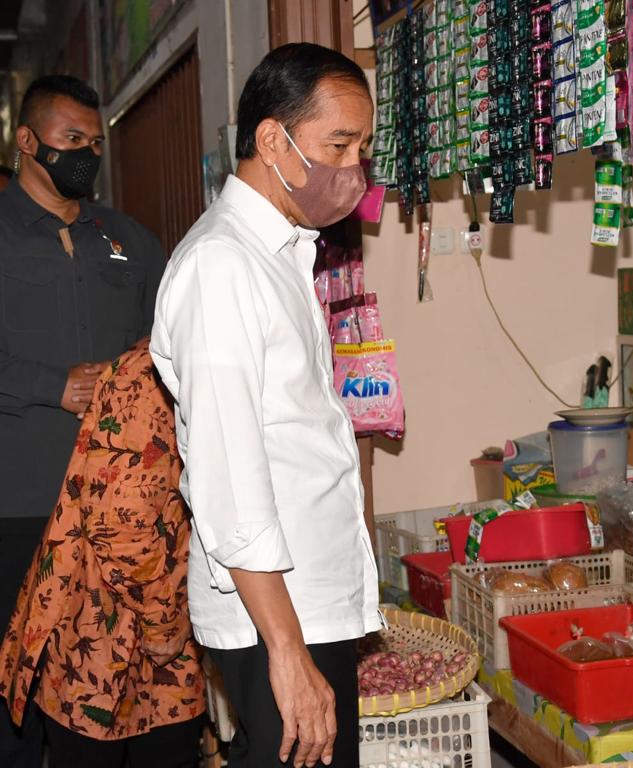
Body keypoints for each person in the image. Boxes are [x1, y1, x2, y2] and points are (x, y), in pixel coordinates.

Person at [150, 43, 379, 768]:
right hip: (276, 615)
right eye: (338, 145)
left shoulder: (282, 253)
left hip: (307, 602)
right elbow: (229, 478)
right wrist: (286, 650)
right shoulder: (222, 265)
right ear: (273, 140)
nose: (354, 168)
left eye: (363, 148)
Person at [0, 74, 166, 767]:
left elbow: (171, 342)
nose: (85, 155)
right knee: (16, 678)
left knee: (100, 685)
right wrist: (51, 386)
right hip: (21, 500)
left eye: (94, 143)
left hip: (115, 506)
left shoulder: (126, 239)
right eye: (71, 140)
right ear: (26, 141)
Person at [0, 340, 206, 768]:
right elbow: (120, 529)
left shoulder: (185, 360)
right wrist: (163, 621)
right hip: (107, 617)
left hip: (164, 608)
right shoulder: (145, 376)